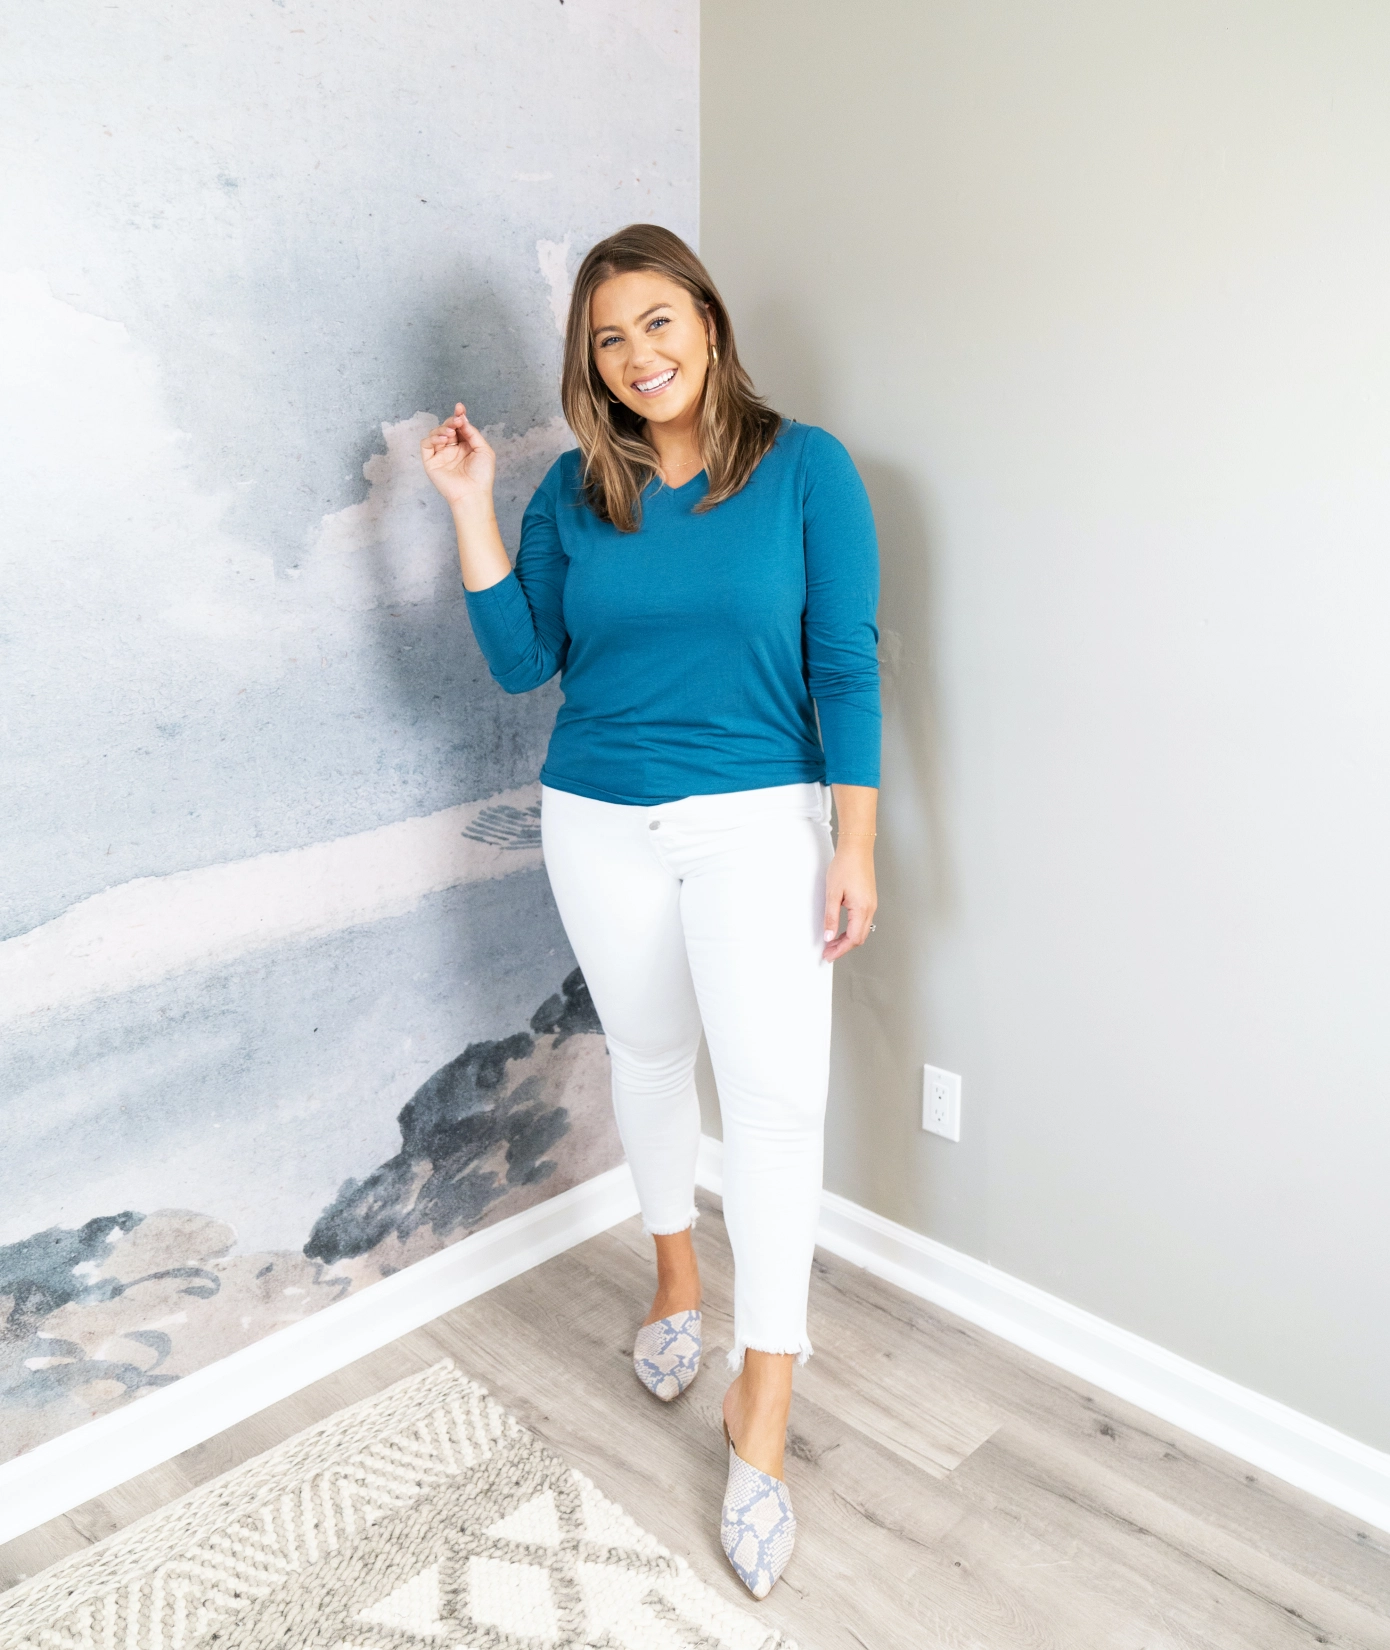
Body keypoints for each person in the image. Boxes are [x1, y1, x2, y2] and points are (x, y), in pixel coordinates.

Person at [420, 223, 880, 1601]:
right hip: (596, 819)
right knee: (648, 1056)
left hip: (762, 824)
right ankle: (675, 1277)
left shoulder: (806, 469)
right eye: (608, 339)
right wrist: (471, 504)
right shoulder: (575, 491)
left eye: (658, 323)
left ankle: (764, 1398)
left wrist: (854, 846)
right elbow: (522, 662)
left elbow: (846, 666)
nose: (638, 356)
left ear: (709, 323)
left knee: (777, 1102)